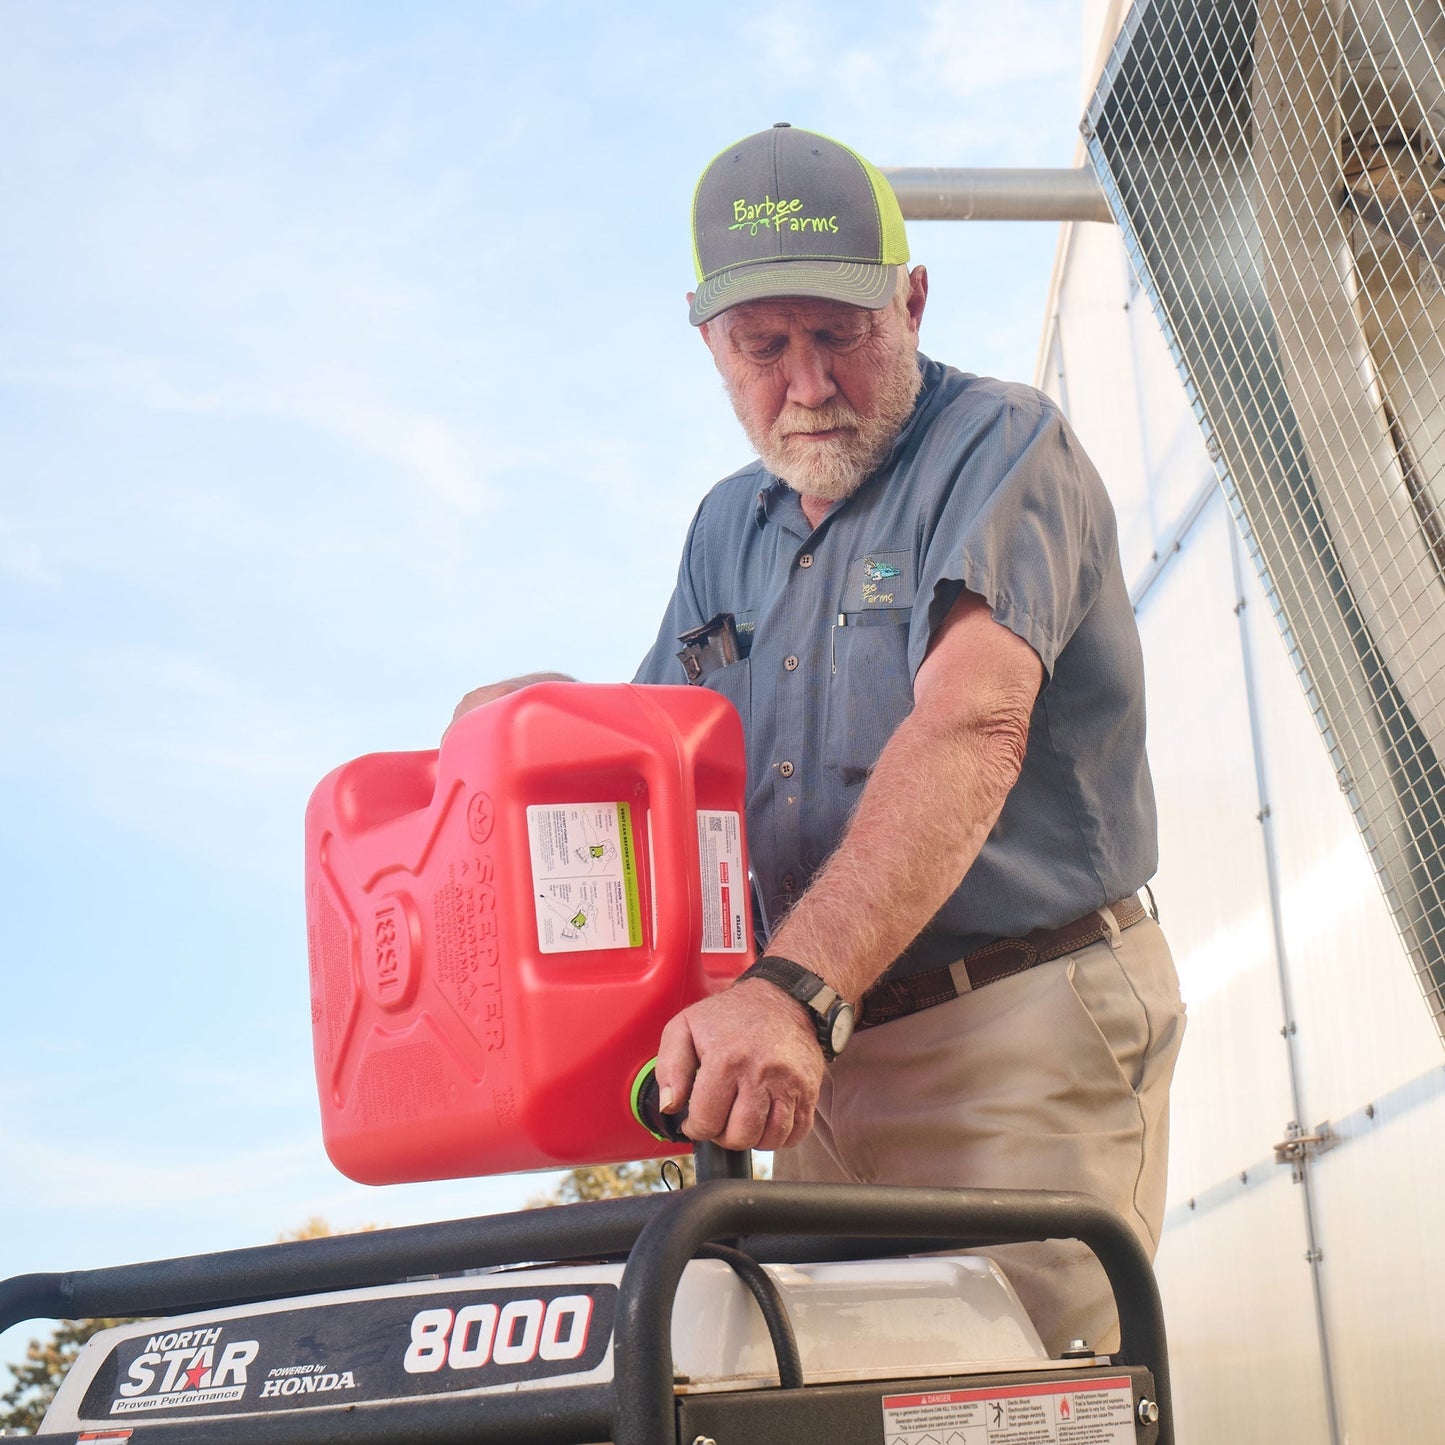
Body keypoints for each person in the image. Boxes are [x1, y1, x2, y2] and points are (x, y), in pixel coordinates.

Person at [455, 124, 1185, 1357]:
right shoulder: (721, 531)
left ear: (907, 301)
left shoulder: (1002, 445)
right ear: (708, 347)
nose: (803, 384)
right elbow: (657, 775)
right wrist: (532, 727)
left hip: (1002, 1027)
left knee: (1010, 1401)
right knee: (810, 1397)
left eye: (835, 334)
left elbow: (972, 721)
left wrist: (789, 988)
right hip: (801, 1055)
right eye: (761, 347)